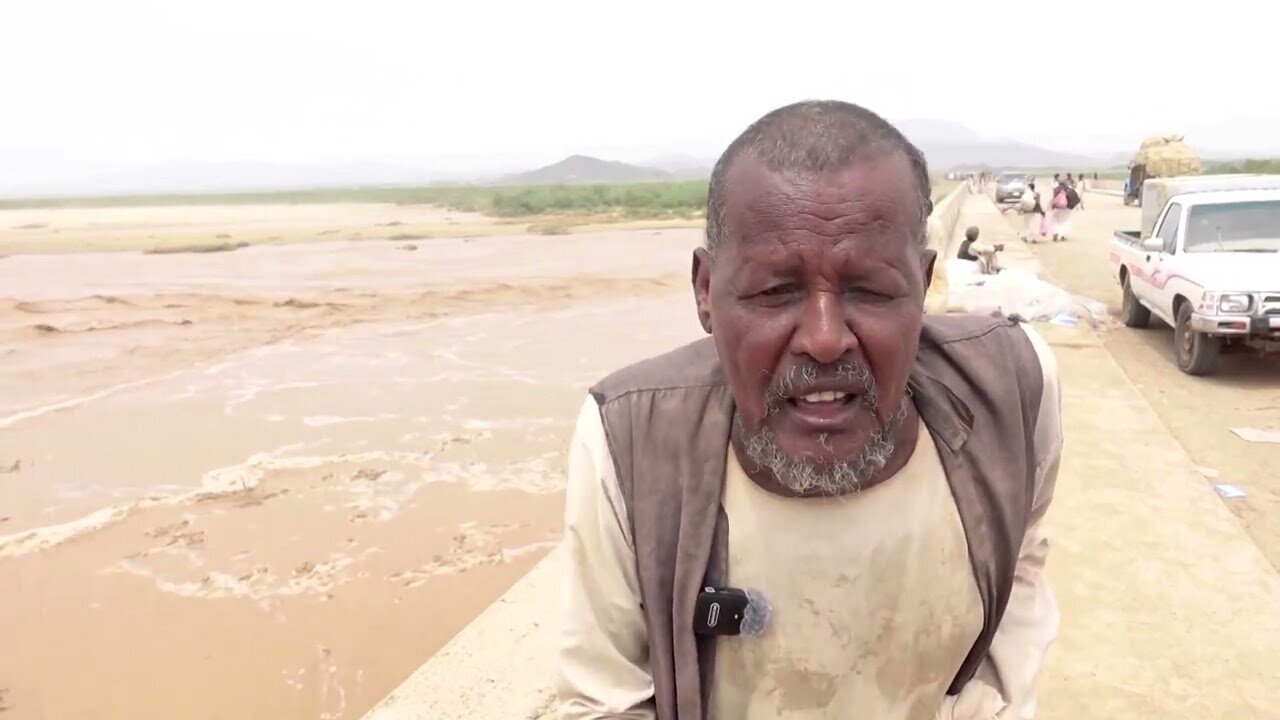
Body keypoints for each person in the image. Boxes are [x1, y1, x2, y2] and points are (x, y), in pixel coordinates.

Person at [557, 100, 1062, 720]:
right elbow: (600, 698)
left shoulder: (1013, 389)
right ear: (706, 291)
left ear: (924, 285)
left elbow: (1024, 570)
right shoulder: (627, 440)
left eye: (870, 290)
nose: (825, 339)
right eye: (775, 291)